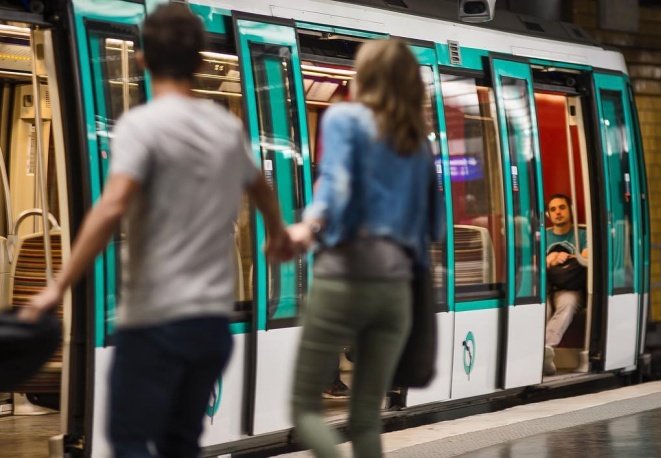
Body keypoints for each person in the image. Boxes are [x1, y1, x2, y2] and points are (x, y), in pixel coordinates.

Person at [19, 4, 292, 457]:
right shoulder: (226, 127)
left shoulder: (142, 125)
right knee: (180, 443)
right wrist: (277, 235)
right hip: (210, 326)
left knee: (128, 439)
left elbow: (111, 207)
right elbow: (262, 189)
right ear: (199, 62)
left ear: (142, 59)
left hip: (154, 320)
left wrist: (57, 287)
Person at [286, 39, 443, 458]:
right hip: (397, 293)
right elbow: (435, 226)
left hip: (345, 277)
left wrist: (307, 227)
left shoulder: (344, 118)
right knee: (366, 420)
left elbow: (336, 185)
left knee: (304, 408)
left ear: (365, 77)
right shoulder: (418, 140)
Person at [544, 193, 588, 376]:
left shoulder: (582, 234)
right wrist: (550, 258)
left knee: (567, 304)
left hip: (570, 287)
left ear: (570, 210)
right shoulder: (543, 236)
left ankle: (545, 349)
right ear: (548, 214)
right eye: (553, 209)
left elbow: (586, 256)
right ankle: (541, 354)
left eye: (562, 207)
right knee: (541, 309)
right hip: (546, 288)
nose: (558, 212)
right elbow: (534, 262)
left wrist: (566, 257)